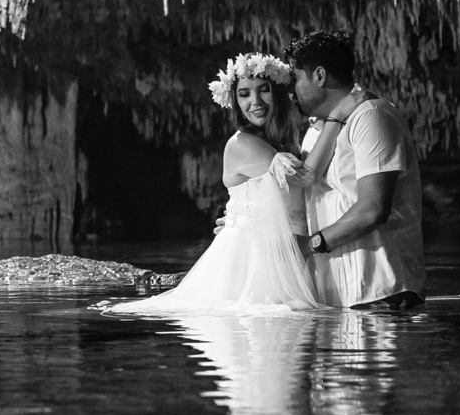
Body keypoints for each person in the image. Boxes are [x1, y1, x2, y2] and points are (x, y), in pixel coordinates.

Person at [102, 53, 328, 314]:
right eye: (244, 94)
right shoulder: (243, 144)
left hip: (278, 251)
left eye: (263, 90)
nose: (255, 102)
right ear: (234, 101)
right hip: (255, 260)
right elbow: (306, 178)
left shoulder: (277, 144)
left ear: (277, 93)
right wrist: (335, 118)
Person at [286, 30, 425, 310]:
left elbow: (373, 208)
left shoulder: (371, 116)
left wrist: (310, 245)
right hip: (337, 296)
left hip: (379, 292)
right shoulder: (316, 131)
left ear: (320, 76)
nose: (291, 90)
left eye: (296, 78)